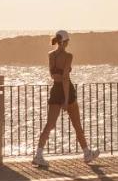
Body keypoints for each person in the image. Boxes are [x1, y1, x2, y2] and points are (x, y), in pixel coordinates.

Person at [32, 30, 100, 167]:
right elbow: (65, 78)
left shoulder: (51, 55)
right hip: (67, 91)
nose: (69, 44)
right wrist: (66, 99)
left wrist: (60, 77)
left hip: (55, 90)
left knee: (49, 125)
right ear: (65, 42)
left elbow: (54, 76)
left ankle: (38, 154)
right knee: (77, 125)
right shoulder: (68, 56)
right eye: (68, 41)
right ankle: (87, 153)